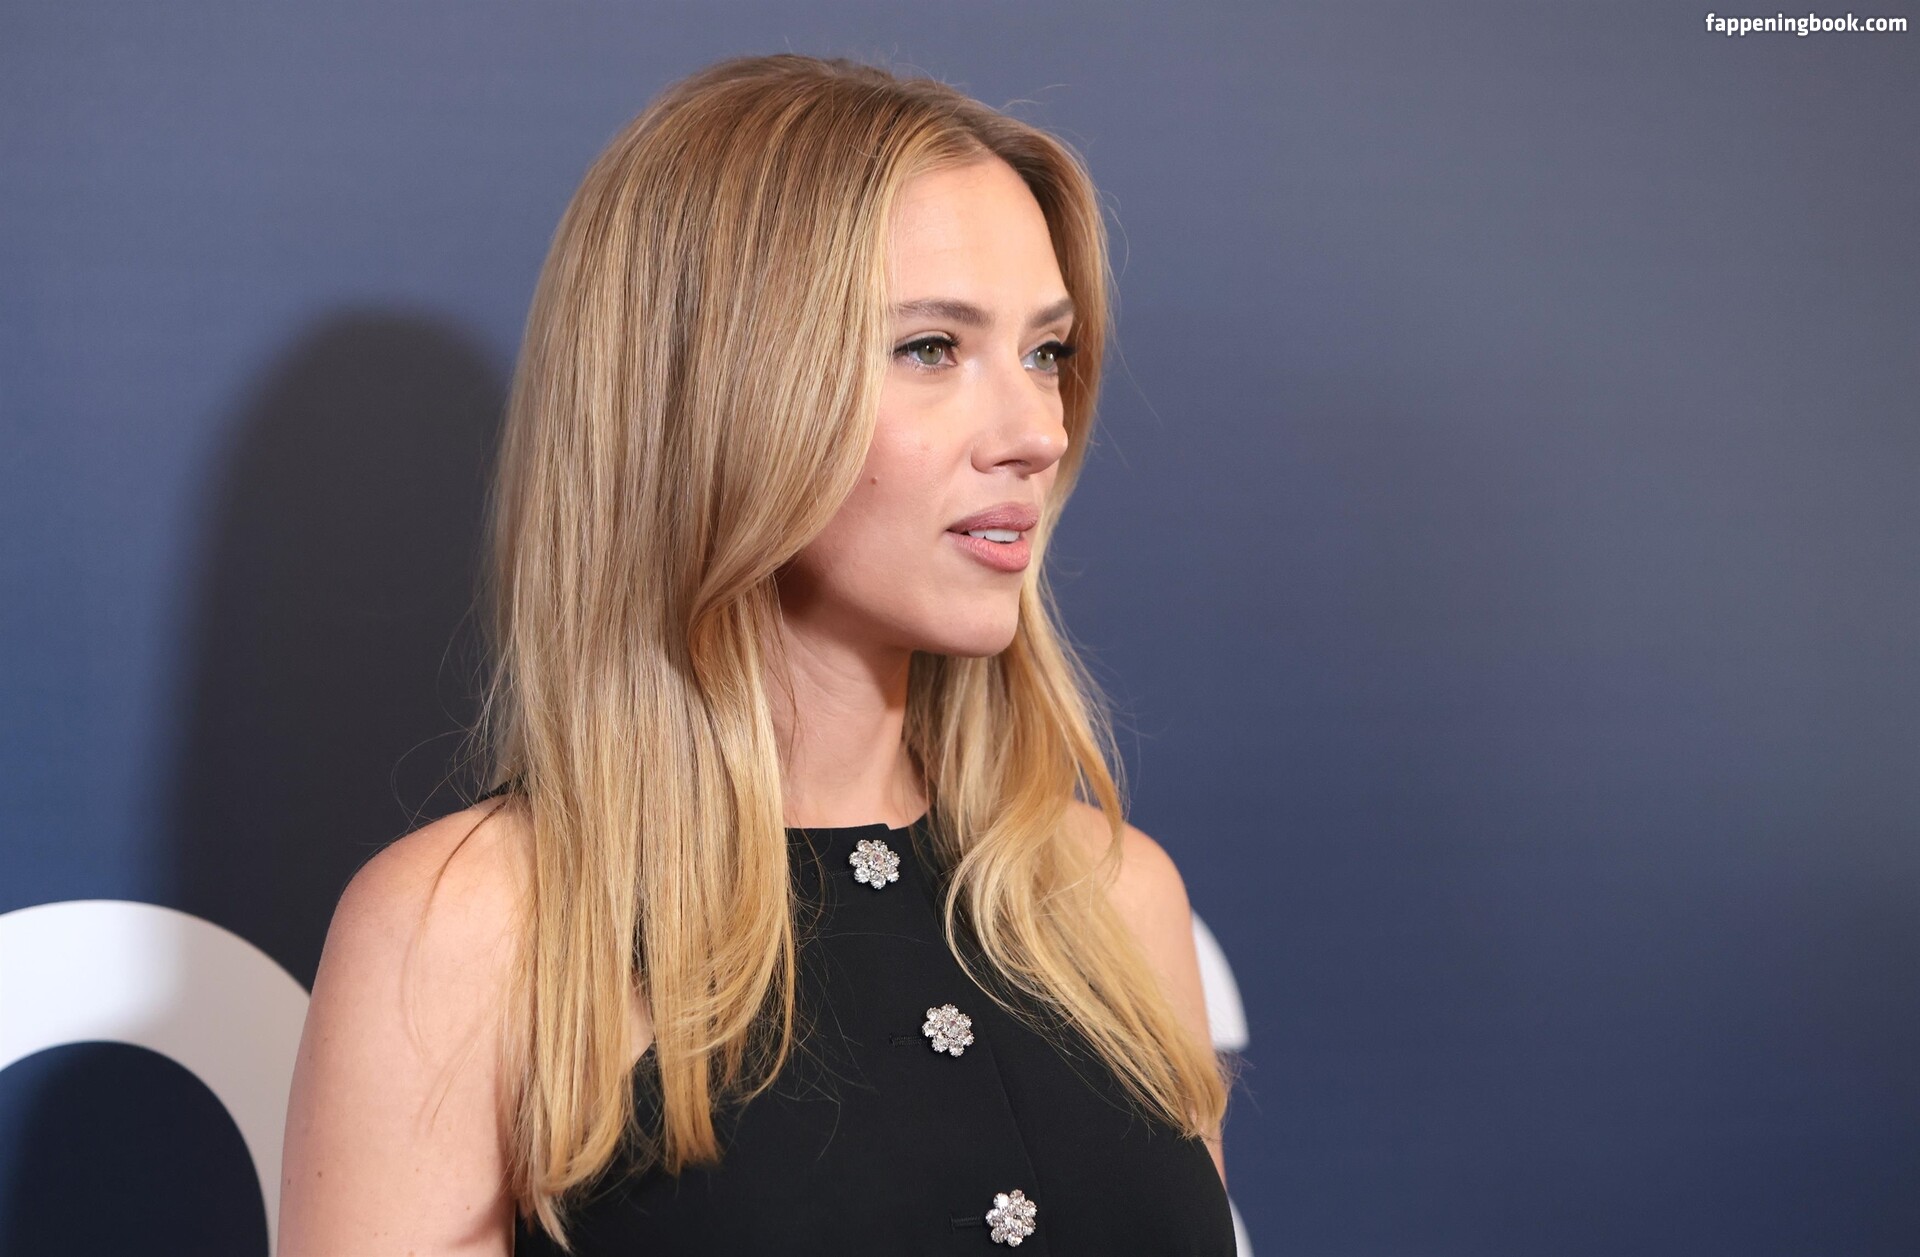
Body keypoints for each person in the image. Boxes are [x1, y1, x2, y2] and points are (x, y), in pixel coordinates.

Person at [278, 52, 1237, 1255]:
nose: (1036, 432)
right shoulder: (479, 934)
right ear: (718, 391)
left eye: (1047, 352)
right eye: (931, 347)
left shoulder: (1111, 901)